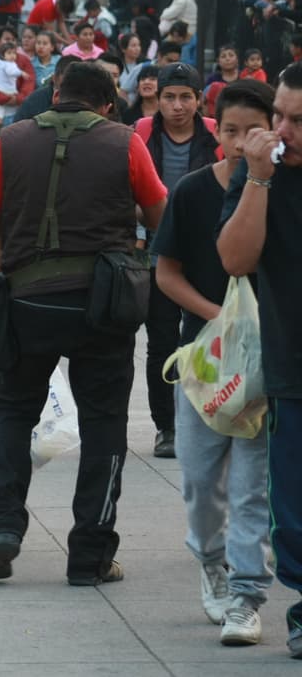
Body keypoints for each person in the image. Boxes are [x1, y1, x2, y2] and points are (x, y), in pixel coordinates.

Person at [0, 61, 167, 585]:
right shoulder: (125, 141)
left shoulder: (9, 140)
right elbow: (159, 214)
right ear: (106, 105)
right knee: (104, 425)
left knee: (11, 411)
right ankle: (90, 556)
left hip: (27, 301)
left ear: (56, 93)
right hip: (103, 306)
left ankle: (4, 526)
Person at [154, 79, 275, 647]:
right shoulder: (193, 192)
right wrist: (219, 322)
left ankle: (246, 596)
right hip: (204, 363)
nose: (238, 143)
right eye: (228, 131)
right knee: (202, 481)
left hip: (265, 365)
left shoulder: (282, 191)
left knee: (253, 487)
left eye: (252, 132)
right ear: (215, 129)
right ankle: (211, 560)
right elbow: (166, 272)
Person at [218, 62, 302, 659]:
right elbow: (235, 259)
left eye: (298, 120)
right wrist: (258, 179)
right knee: (293, 510)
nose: (282, 129)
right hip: (291, 369)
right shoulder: (260, 177)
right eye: (279, 116)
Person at [136, 63, 221, 458]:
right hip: (157, 253)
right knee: (162, 344)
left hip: (206, 256)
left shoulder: (215, 135)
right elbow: (130, 190)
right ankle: (166, 426)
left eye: (186, 97)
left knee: (204, 339)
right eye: (170, 97)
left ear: (198, 100)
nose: (177, 105)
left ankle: (207, 415)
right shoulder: (142, 133)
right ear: (158, 98)